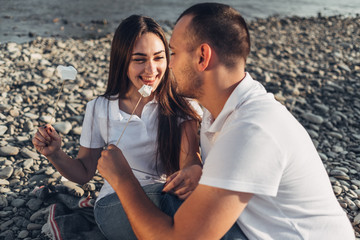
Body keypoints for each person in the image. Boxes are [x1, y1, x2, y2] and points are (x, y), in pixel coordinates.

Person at [97, 3, 355, 240]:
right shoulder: (218, 112)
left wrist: (122, 179)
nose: (169, 65)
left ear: (202, 57)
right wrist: (196, 166)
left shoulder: (251, 129)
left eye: (172, 53)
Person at [32, 15, 203, 239]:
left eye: (159, 58)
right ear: (123, 61)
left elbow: (189, 160)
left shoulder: (182, 105)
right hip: (115, 204)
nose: (151, 69)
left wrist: (193, 172)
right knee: (173, 202)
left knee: (182, 197)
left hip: (166, 194)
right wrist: (55, 154)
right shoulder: (100, 108)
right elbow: (84, 172)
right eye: (139, 60)